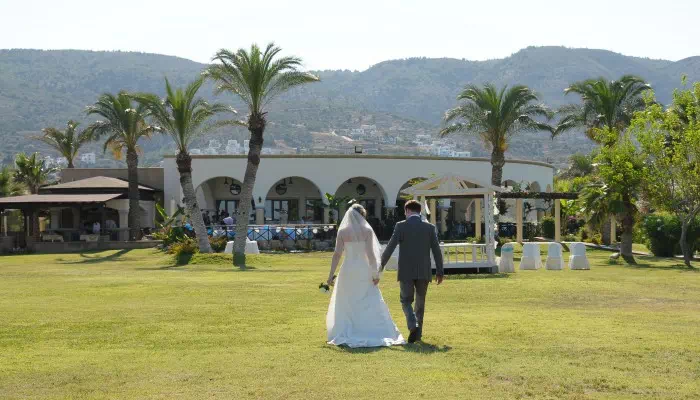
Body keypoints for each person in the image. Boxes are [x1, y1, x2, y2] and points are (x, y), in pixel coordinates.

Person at [325, 204, 405, 348]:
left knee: (347, 300)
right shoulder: (367, 230)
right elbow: (371, 255)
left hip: (348, 270)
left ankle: (348, 329)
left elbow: (337, 254)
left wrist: (331, 274)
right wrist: (375, 273)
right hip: (363, 269)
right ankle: (369, 329)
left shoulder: (343, 231)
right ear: (362, 216)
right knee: (367, 299)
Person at [380, 200, 444, 343]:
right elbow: (436, 251)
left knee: (406, 300)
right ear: (419, 211)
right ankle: (418, 334)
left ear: (407, 211)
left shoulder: (400, 226)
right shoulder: (429, 227)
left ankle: (412, 324)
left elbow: (390, 247)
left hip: (406, 270)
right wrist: (440, 271)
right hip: (424, 270)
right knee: (420, 303)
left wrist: (381, 265)